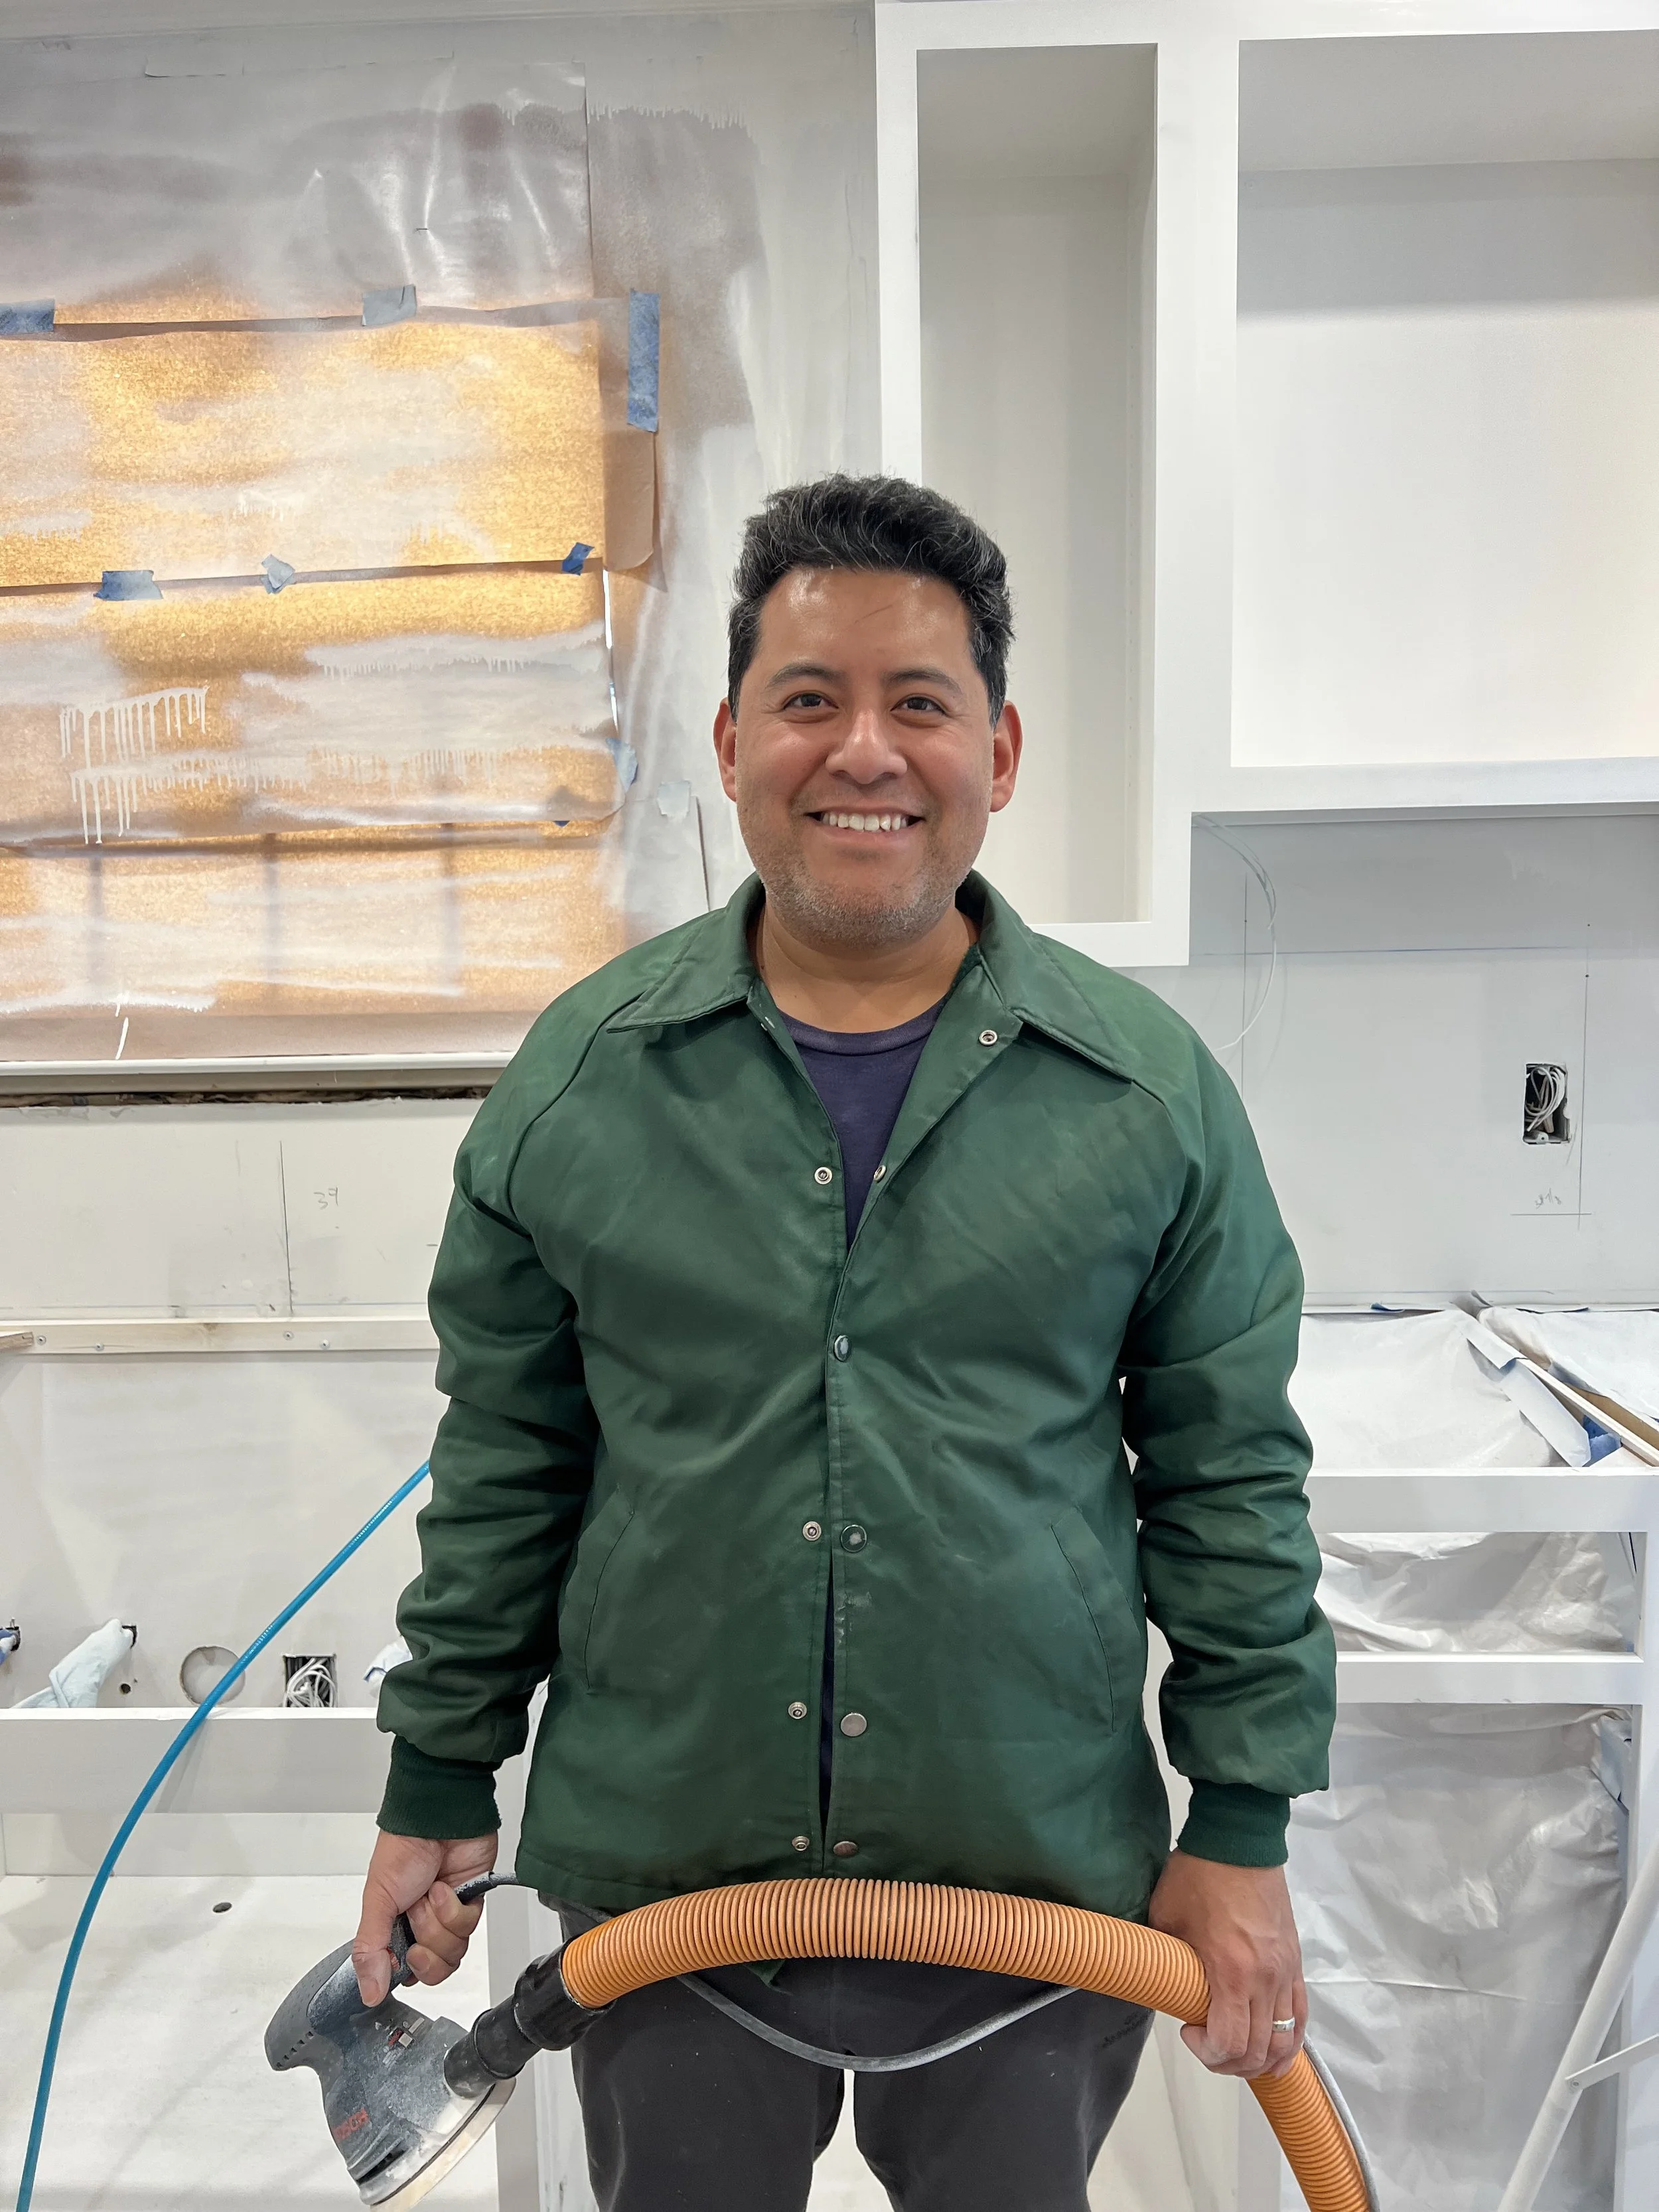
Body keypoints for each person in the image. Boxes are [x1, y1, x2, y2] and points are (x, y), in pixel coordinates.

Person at [353, 475, 1335, 2211]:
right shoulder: (581, 1084)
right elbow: (507, 1456)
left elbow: (1226, 1480)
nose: (862, 751)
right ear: (733, 740)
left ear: (1001, 750)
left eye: (919, 704)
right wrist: (440, 1771)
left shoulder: (1145, 1097)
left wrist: (1238, 1823)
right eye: (810, 701)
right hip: (667, 1885)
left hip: (1030, 1886)